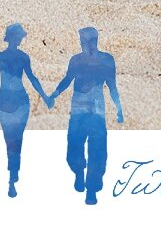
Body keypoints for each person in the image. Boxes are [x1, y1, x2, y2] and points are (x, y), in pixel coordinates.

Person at [49, 27, 123, 202]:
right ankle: (80, 173)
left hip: (93, 110)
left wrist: (119, 108)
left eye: (84, 40)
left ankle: (91, 187)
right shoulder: (78, 60)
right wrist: (54, 94)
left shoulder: (105, 60)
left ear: (91, 41)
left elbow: (112, 86)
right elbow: (68, 79)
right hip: (82, 109)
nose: (83, 44)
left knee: (95, 148)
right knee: (77, 145)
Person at [0, 23, 50, 195]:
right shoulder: (14, 57)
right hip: (13, 100)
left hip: (13, 100)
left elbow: (32, 78)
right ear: (14, 38)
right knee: (13, 139)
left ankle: (13, 175)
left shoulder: (13, 57)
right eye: (20, 36)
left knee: (13, 139)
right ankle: (13, 174)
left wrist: (45, 96)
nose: (21, 39)